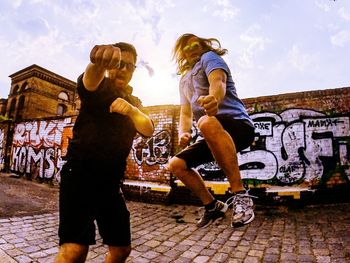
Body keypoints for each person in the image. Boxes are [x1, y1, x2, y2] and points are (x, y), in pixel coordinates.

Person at [55, 42, 154, 263]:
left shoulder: (134, 101)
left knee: (121, 250)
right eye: (120, 64)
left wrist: (132, 110)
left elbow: (148, 127)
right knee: (74, 251)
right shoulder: (100, 87)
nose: (125, 70)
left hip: (111, 184)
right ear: (111, 65)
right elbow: (88, 81)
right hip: (80, 176)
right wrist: (97, 63)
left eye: (130, 66)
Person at [167, 33, 256, 228]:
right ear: (182, 54)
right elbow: (185, 112)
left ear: (203, 45)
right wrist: (183, 132)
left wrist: (214, 98)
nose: (192, 50)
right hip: (211, 131)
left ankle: (241, 196)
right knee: (176, 164)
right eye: (186, 48)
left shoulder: (209, 58)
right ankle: (212, 206)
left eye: (195, 45)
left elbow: (219, 82)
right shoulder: (183, 80)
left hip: (238, 125)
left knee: (206, 122)